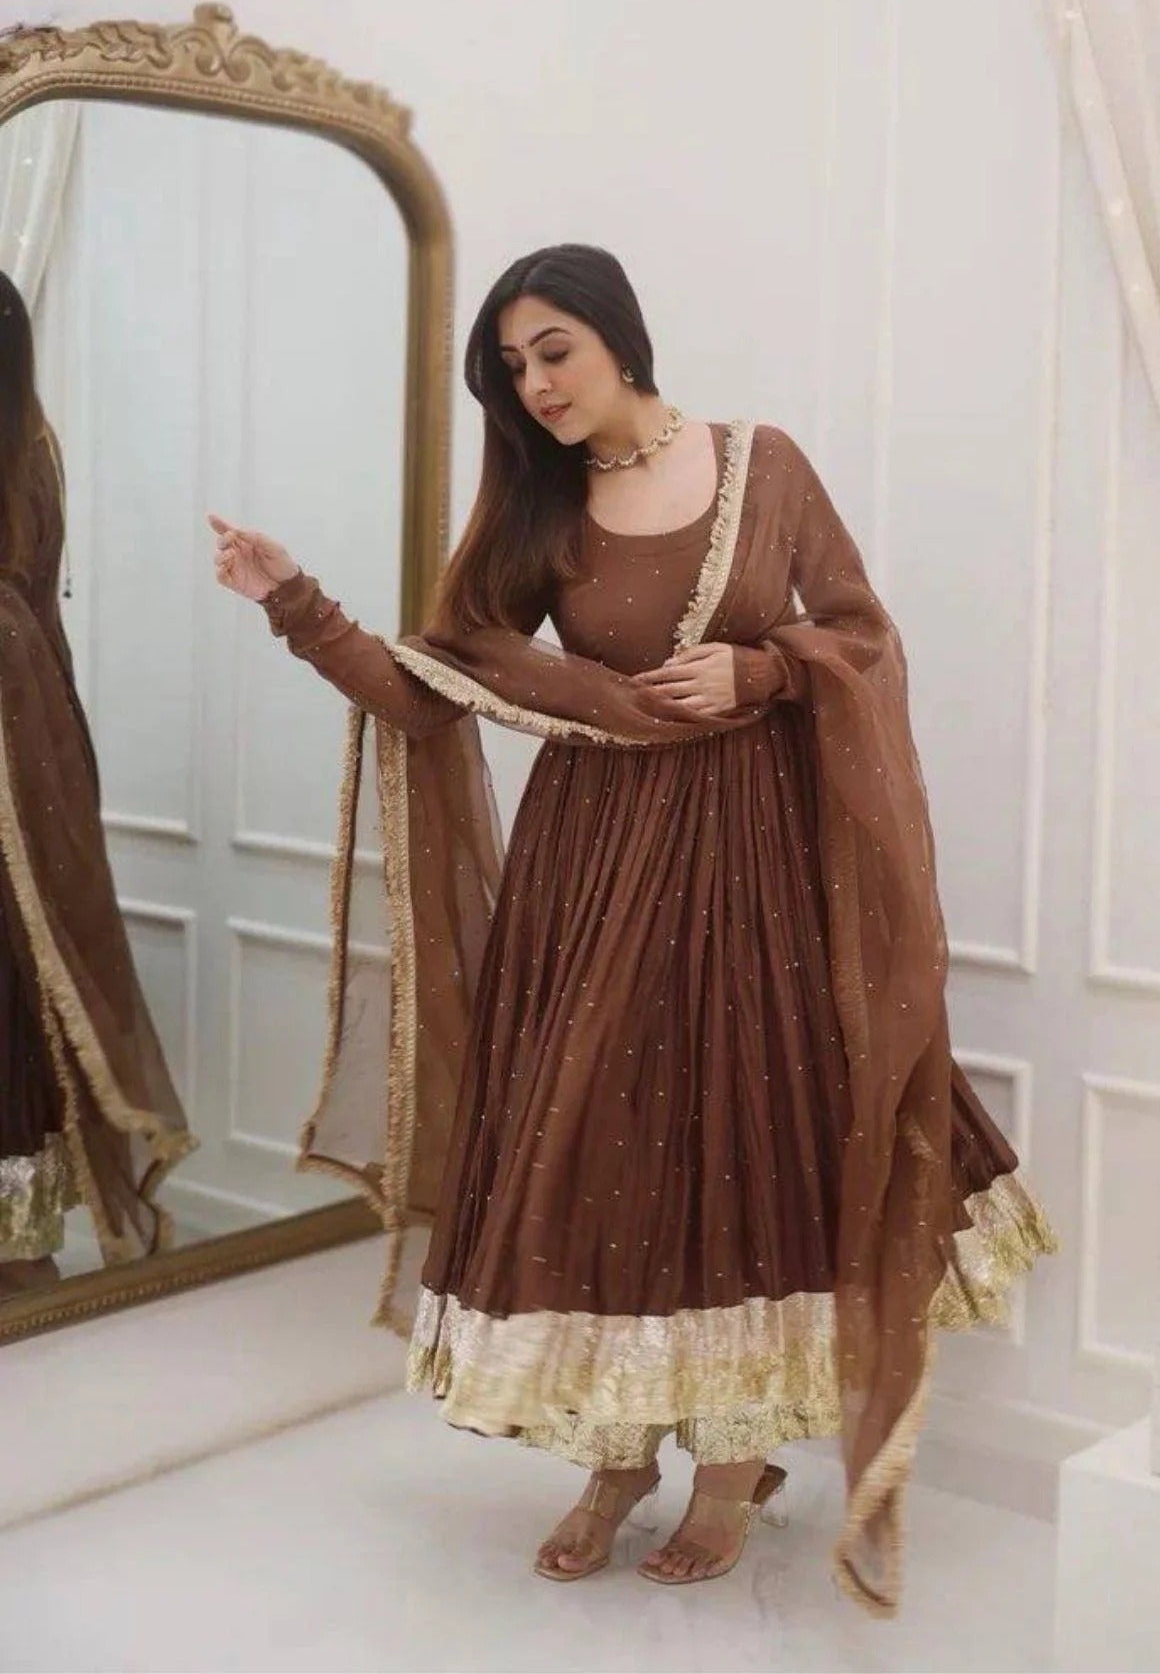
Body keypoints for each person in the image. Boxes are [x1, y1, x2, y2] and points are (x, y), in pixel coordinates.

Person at [209, 242, 1057, 1615]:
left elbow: (861, 635)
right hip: (594, 876)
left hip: (756, 871)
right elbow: (433, 689)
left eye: (551, 350)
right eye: (509, 368)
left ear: (615, 334)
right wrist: (294, 603)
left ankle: (731, 1464)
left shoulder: (760, 465)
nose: (533, 385)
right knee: (590, 1142)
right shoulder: (533, 511)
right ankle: (613, 1454)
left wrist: (764, 664)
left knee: (738, 1139)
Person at [0, 270, 193, 1292]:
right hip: (32, 725)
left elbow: (36, 598)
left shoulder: (29, 452)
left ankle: (18, 1245)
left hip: (19, 738)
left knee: (18, 970)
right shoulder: (35, 446)